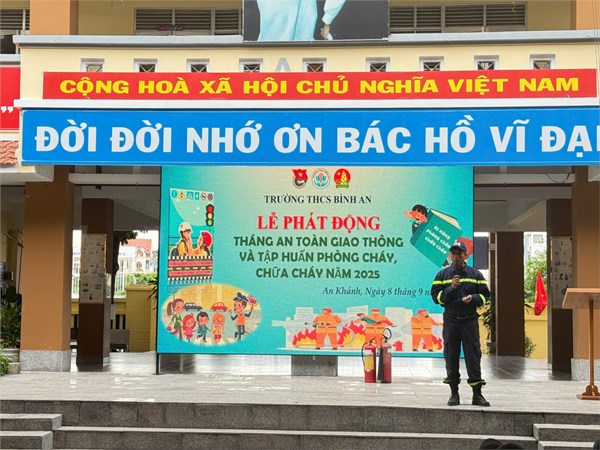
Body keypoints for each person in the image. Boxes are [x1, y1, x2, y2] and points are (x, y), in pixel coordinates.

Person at [431, 240, 491, 407]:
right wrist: (451, 288)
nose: (456, 256)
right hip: (451, 319)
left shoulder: (475, 274)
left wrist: (474, 298)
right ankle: (454, 394)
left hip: (469, 319)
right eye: (454, 253)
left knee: (473, 354)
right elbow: (436, 297)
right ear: (450, 256)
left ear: (465, 255)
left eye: (459, 253)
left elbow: (486, 296)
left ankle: (477, 394)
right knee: (451, 354)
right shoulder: (442, 275)